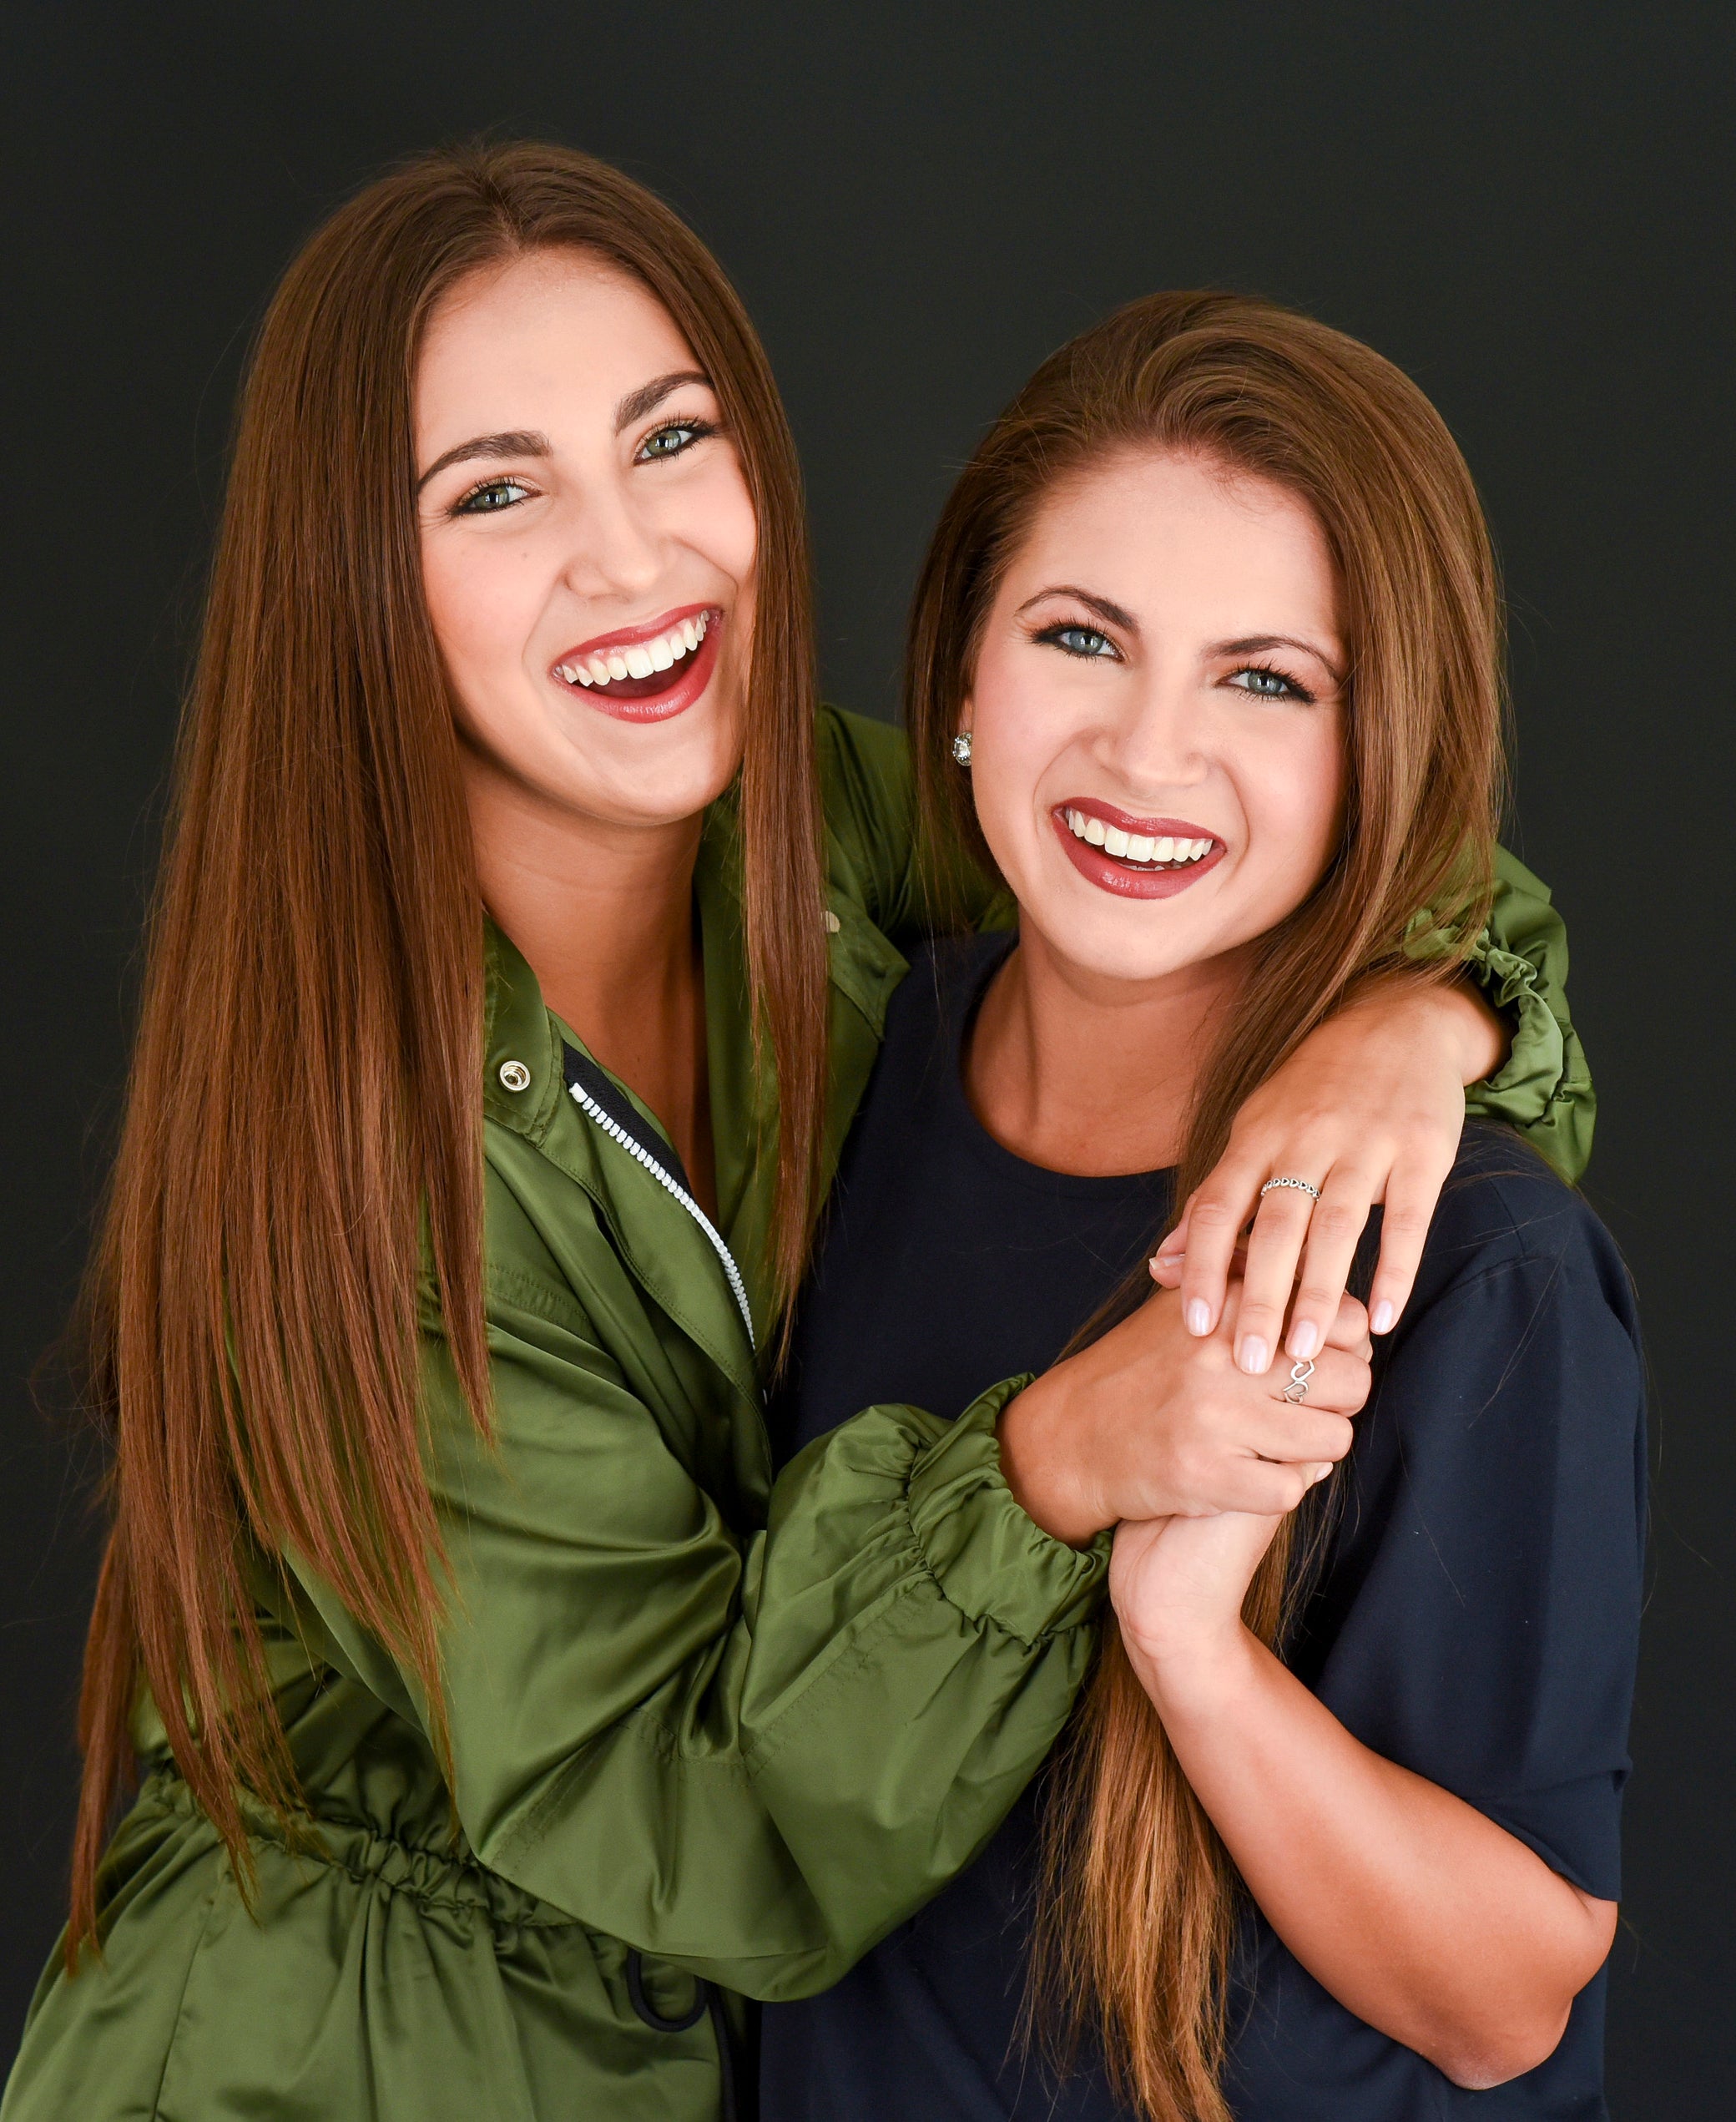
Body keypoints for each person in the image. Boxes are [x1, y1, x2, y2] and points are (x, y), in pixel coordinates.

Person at [3, 147, 1589, 2122]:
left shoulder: (831, 849)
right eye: (496, 490)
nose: (630, 557)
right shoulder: (341, 1173)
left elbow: (1195, 840)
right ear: (356, 580)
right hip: (346, 2058)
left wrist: (1418, 1016)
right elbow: (701, 1808)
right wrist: (1055, 1460)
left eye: (669, 441)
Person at [760, 291, 1641, 2121]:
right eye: (1080, 637)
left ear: (1370, 754)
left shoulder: (1474, 1258)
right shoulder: (824, 1087)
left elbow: (1504, 2004)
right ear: (958, 682)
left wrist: (1188, 1646)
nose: (1147, 755)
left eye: (1264, 679)